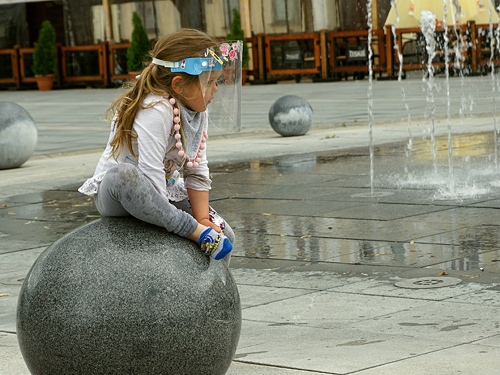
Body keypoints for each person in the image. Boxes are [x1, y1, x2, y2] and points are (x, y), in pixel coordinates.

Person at [78, 29, 239, 262]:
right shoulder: (156, 108)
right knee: (125, 175)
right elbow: (151, 170)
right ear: (179, 85)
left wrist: (203, 218)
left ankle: (215, 285)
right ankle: (192, 231)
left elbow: (196, 167)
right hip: (120, 194)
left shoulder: (198, 111)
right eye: (209, 82)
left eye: (216, 82)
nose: (215, 89)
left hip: (166, 191)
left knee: (225, 235)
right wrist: (180, 224)